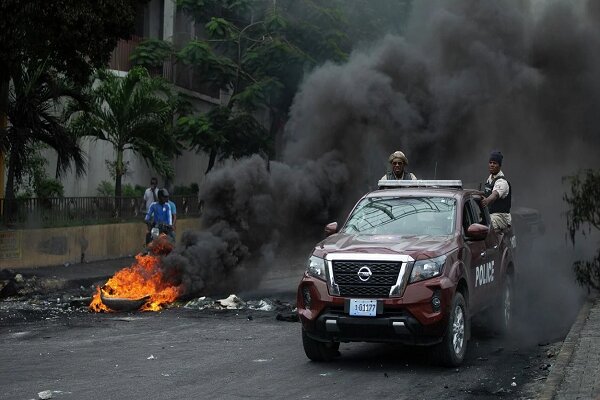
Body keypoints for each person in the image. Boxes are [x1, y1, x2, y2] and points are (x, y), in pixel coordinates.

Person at [481, 150, 512, 230]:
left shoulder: (502, 182)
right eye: (490, 162)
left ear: (499, 165)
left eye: (494, 163)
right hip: (491, 215)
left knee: (486, 229)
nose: (492, 165)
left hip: (500, 217)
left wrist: (486, 201)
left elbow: (494, 195)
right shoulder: (490, 179)